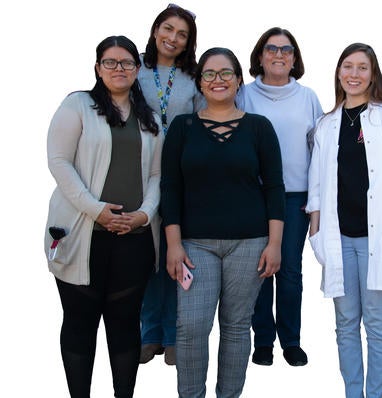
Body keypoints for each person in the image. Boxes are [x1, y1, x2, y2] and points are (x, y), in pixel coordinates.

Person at [160, 47, 285, 397]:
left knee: (235, 327)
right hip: (194, 244)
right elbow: (170, 188)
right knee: (192, 327)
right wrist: (173, 244)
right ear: (199, 82)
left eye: (226, 73)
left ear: (239, 79)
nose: (218, 80)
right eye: (209, 74)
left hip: (250, 243)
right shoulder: (183, 129)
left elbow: (275, 188)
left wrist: (274, 244)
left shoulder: (259, 128)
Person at [44, 35, 163, 397]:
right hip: (82, 236)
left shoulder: (150, 119)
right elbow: (59, 162)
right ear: (97, 68)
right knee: (80, 323)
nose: (118, 68)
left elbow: (158, 175)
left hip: (135, 239)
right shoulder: (78, 106)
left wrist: (144, 215)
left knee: (125, 325)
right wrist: (97, 210)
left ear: (137, 69)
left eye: (126, 62)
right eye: (109, 62)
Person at [306, 43, 382, 398]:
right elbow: (316, 183)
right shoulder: (326, 124)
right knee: (345, 325)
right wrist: (316, 231)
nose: (354, 74)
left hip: (376, 239)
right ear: (339, 72)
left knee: (378, 326)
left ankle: (376, 394)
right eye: (347, 66)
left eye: (362, 68)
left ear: (373, 74)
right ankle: (353, 392)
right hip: (338, 238)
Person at [238, 26, 323, 367]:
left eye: (286, 50)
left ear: (294, 58)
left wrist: (315, 200)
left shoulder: (308, 97)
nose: (278, 55)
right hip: (253, 196)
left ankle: (291, 340)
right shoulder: (243, 95)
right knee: (259, 269)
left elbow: (319, 151)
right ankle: (263, 341)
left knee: (289, 269)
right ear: (260, 56)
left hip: (294, 198)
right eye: (271, 49)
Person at [137, 2, 203, 367]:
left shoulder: (193, 77)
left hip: (180, 175)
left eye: (182, 34)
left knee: (177, 255)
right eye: (168, 29)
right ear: (155, 29)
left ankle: (176, 334)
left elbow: (203, 120)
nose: (173, 38)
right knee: (147, 256)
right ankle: (150, 333)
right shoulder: (136, 69)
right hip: (140, 174)